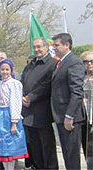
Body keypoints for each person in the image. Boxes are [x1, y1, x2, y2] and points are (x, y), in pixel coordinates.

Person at [21, 37, 58, 169]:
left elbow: (47, 85)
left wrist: (30, 97)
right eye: (34, 47)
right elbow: (22, 83)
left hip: (43, 112)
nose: (36, 50)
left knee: (47, 147)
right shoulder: (29, 66)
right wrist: (21, 97)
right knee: (34, 147)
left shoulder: (53, 64)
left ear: (47, 47)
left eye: (39, 47)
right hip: (28, 113)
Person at [51, 33, 85, 170]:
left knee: (72, 155)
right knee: (66, 153)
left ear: (67, 45)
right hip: (60, 115)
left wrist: (69, 116)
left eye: (57, 45)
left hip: (69, 118)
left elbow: (76, 92)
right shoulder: (60, 62)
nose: (54, 48)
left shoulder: (74, 62)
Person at [0, 59, 28, 170]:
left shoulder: (15, 84)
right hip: (0, 115)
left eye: (7, 69)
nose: (4, 72)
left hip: (9, 115)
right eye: (2, 69)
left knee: (10, 147)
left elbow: (15, 102)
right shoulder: (0, 83)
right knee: (1, 148)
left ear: (11, 70)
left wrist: (14, 122)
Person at [81, 50, 93, 169]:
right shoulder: (82, 78)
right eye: (86, 62)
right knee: (87, 148)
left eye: (91, 61)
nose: (89, 64)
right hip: (85, 118)